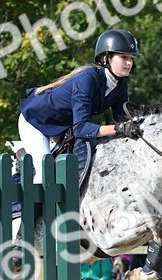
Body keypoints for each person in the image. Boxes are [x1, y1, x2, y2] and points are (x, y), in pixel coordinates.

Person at [17, 29, 143, 176]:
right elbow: (81, 128)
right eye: (123, 57)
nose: (129, 63)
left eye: (132, 58)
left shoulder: (120, 85)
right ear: (105, 59)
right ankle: (29, 168)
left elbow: (122, 119)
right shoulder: (87, 79)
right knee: (45, 173)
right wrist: (119, 128)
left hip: (62, 128)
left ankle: (29, 156)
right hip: (36, 121)